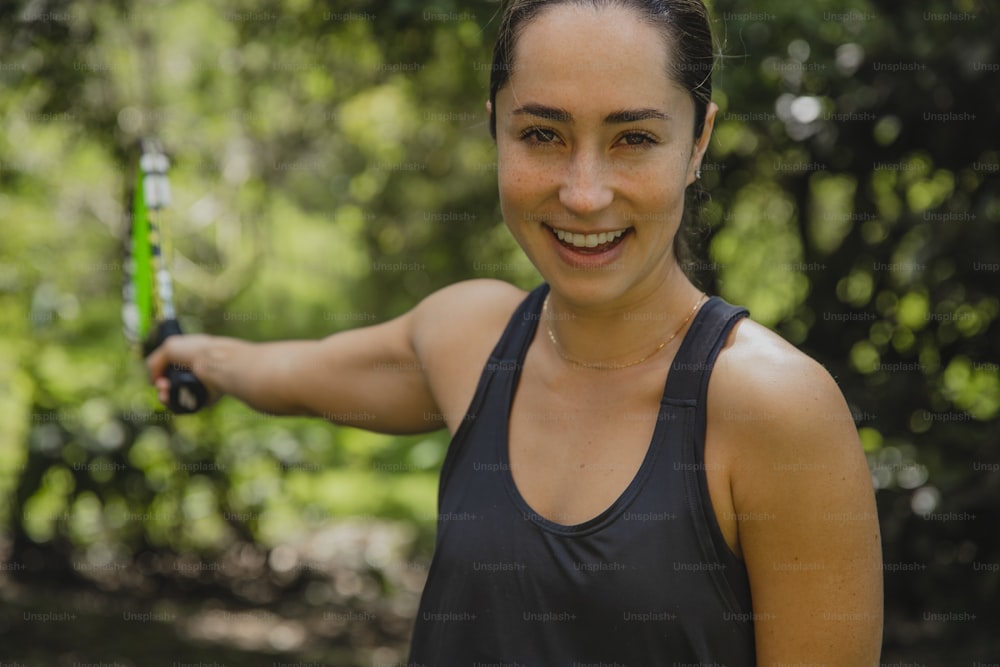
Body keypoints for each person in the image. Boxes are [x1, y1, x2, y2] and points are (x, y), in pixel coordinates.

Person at [148, 0, 884, 664]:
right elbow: (296, 373)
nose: (585, 192)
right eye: (542, 133)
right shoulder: (469, 338)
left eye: (633, 138)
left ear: (698, 141)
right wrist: (199, 357)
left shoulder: (775, 407)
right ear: (494, 125)